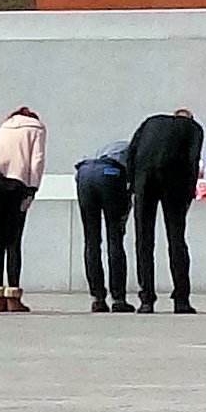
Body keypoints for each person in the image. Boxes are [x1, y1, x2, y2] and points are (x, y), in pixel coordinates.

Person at [122, 105, 204, 314]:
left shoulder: (150, 121)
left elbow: (131, 152)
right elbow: (192, 160)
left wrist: (132, 184)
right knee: (176, 239)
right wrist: (189, 192)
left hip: (144, 179)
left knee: (144, 239)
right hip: (173, 181)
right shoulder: (193, 128)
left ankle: (146, 300)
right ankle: (181, 300)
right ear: (189, 117)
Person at [0, 105, 45, 311]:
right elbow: (37, 161)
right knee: (13, 242)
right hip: (16, 186)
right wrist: (32, 190)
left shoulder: (3, 128)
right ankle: (13, 296)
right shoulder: (36, 128)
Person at [72, 131, 135, 313]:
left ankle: (98, 298)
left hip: (84, 173)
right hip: (109, 173)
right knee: (114, 239)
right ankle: (118, 299)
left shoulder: (115, 146)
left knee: (91, 241)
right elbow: (133, 186)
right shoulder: (140, 152)